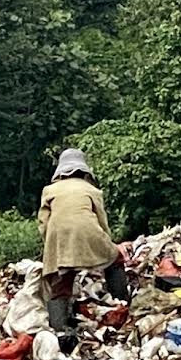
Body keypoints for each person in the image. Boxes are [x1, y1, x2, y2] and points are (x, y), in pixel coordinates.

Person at [37, 148, 128, 346]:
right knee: (115, 260)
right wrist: (108, 246)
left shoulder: (50, 190)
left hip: (59, 238)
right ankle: (122, 304)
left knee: (61, 282)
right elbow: (102, 222)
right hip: (89, 233)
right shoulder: (92, 190)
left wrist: (52, 248)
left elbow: (43, 223)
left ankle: (60, 329)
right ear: (84, 169)